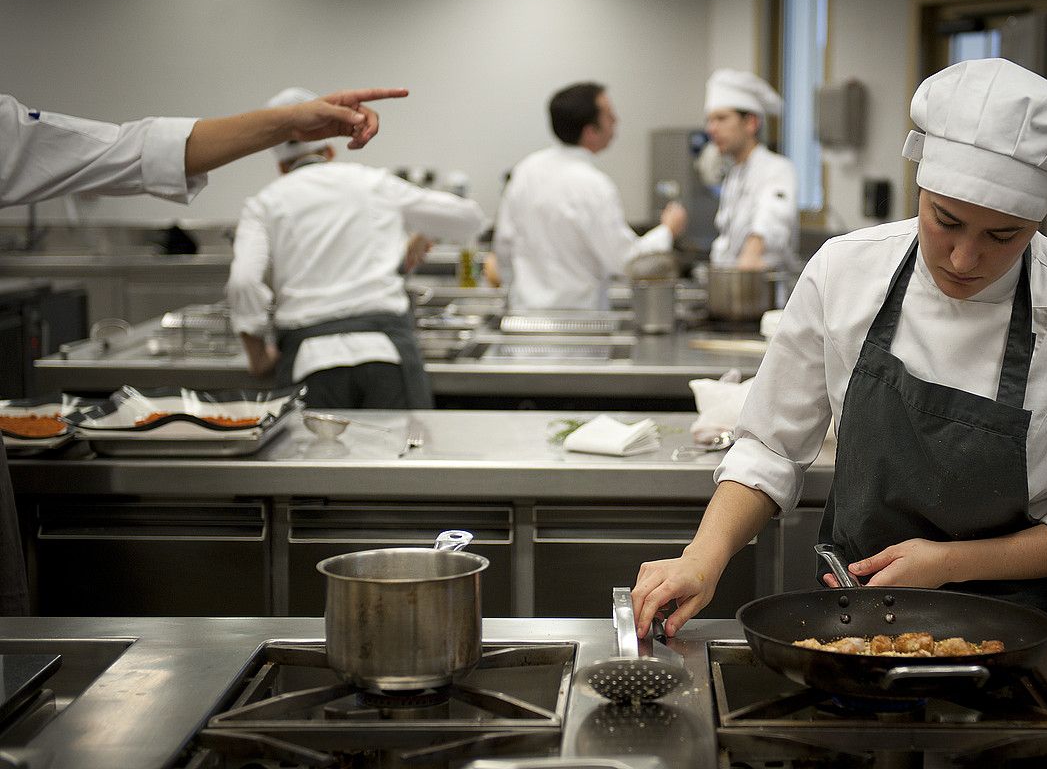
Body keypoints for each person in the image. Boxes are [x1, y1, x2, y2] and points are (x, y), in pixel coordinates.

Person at [632, 58, 1047, 636]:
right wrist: (702, 559)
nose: (964, 259)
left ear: (1037, 223)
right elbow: (770, 447)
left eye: (1001, 237)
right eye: (946, 220)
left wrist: (950, 564)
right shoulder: (846, 270)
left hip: (1026, 630)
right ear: (921, 187)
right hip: (857, 623)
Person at [0, 85, 408, 616]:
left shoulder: (271, 200)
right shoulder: (372, 183)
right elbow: (130, 149)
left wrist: (283, 123)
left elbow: (130, 153)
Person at [226, 89, 485, 408]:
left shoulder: (264, 204)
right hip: (386, 353)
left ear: (280, 166)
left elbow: (243, 281)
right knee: (401, 453)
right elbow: (468, 218)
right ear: (330, 151)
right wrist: (423, 229)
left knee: (313, 456)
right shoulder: (371, 182)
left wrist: (257, 356)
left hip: (309, 361)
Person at [492, 82, 688, 310]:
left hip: (525, 321)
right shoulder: (593, 185)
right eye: (610, 116)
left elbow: (504, 249)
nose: (616, 121)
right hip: (578, 327)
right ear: (590, 131)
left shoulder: (526, 170)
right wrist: (668, 231)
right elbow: (627, 262)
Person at [702, 69, 798, 271]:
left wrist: (753, 249)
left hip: (763, 293)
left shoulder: (777, 169)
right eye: (710, 120)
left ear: (751, 123)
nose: (711, 129)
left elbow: (773, 216)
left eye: (721, 118)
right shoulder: (734, 174)